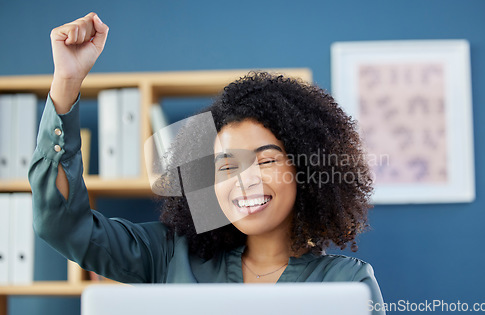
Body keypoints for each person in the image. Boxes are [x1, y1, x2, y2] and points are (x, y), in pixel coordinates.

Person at [29, 12, 385, 314]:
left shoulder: (346, 284)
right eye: (227, 167)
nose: (246, 181)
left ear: (303, 169)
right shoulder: (168, 254)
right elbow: (62, 225)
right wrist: (67, 80)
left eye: (266, 160)